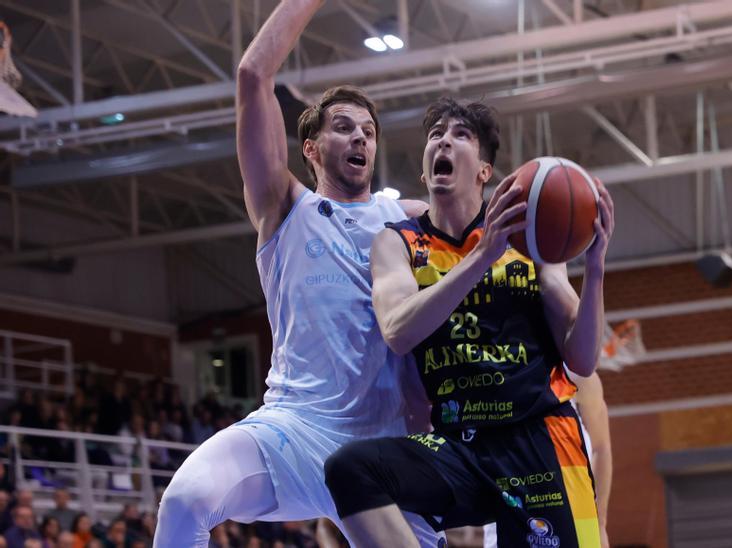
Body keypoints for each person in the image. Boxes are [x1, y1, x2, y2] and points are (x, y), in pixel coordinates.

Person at [153, 0, 437, 545]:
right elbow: (253, 74)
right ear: (309, 148)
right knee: (187, 499)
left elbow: (480, 221)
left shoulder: (406, 220)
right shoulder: (285, 207)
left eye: (368, 131)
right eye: (343, 127)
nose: (360, 137)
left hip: (385, 446)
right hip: (295, 429)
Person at [324, 96, 615, 547]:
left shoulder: (527, 238)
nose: (444, 140)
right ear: (425, 171)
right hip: (460, 446)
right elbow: (399, 331)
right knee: (352, 469)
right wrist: (481, 257)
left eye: (461, 135)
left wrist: (595, 270)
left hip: (540, 441)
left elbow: (583, 356)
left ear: (484, 171)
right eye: (436, 134)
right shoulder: (397, 243)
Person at [483, 371, 614, 547]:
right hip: (512, 520)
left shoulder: (575, 375)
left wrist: (601, 522)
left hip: (576, 519)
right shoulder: (488, 380)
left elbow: (601, 448)